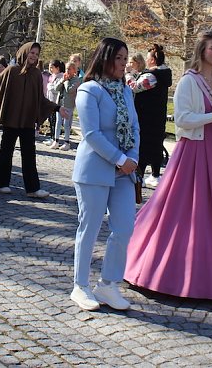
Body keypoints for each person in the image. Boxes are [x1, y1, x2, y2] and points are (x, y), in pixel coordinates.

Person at [124, 31, 212, 300]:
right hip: (191, 152)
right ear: (202, 50)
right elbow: (182, 119)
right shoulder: (189, 81)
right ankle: (159, 269)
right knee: (180, 211)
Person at [70, 37, 140, 311]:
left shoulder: (126, 92)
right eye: (118, 58)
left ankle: (108, 284)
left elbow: (135, 128)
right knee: (89, 228)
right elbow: (91, 133)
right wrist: (120, 159)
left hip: (124, 172)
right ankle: (80, 286)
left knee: (124, 228)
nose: (123, 64)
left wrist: (132, 158)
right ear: (105, 59)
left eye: (125, 58)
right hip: (95, 170)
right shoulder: (89, 90)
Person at [0, 42, 65, 199]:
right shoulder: (12, 71)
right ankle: (1, 183)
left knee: (29, 154)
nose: (34, 56)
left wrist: (57, 108)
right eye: (32, 52)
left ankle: (32, 188)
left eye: (36, 54)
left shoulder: (36, 74)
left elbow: (40, 99)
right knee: (6, 151)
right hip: (11, 118)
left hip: (28, 120)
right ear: (24, 52)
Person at [133, 44, 173, 188]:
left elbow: (134, 87)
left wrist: (128, 75)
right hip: (157, 116)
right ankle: (155, 175)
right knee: (156, 146)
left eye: (148, 58)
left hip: (146, 116)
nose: (146, 60)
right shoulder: (164, 74)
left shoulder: (151, 76)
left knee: (143, 146)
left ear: (152, 60)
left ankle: (140, 176)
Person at [52, 62, 81, 151]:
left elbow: (69, 90)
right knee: (58, 122)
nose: (67, 71)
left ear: (74, 70)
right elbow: (56, 88)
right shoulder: (63, 78)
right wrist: (62, 81)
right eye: (66, 69)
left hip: (69, 105)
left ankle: (66, 142)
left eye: (69, 69)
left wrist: (66, 81)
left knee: (66, 124)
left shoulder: (76, 80)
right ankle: (56, 141)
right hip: (60, 103)